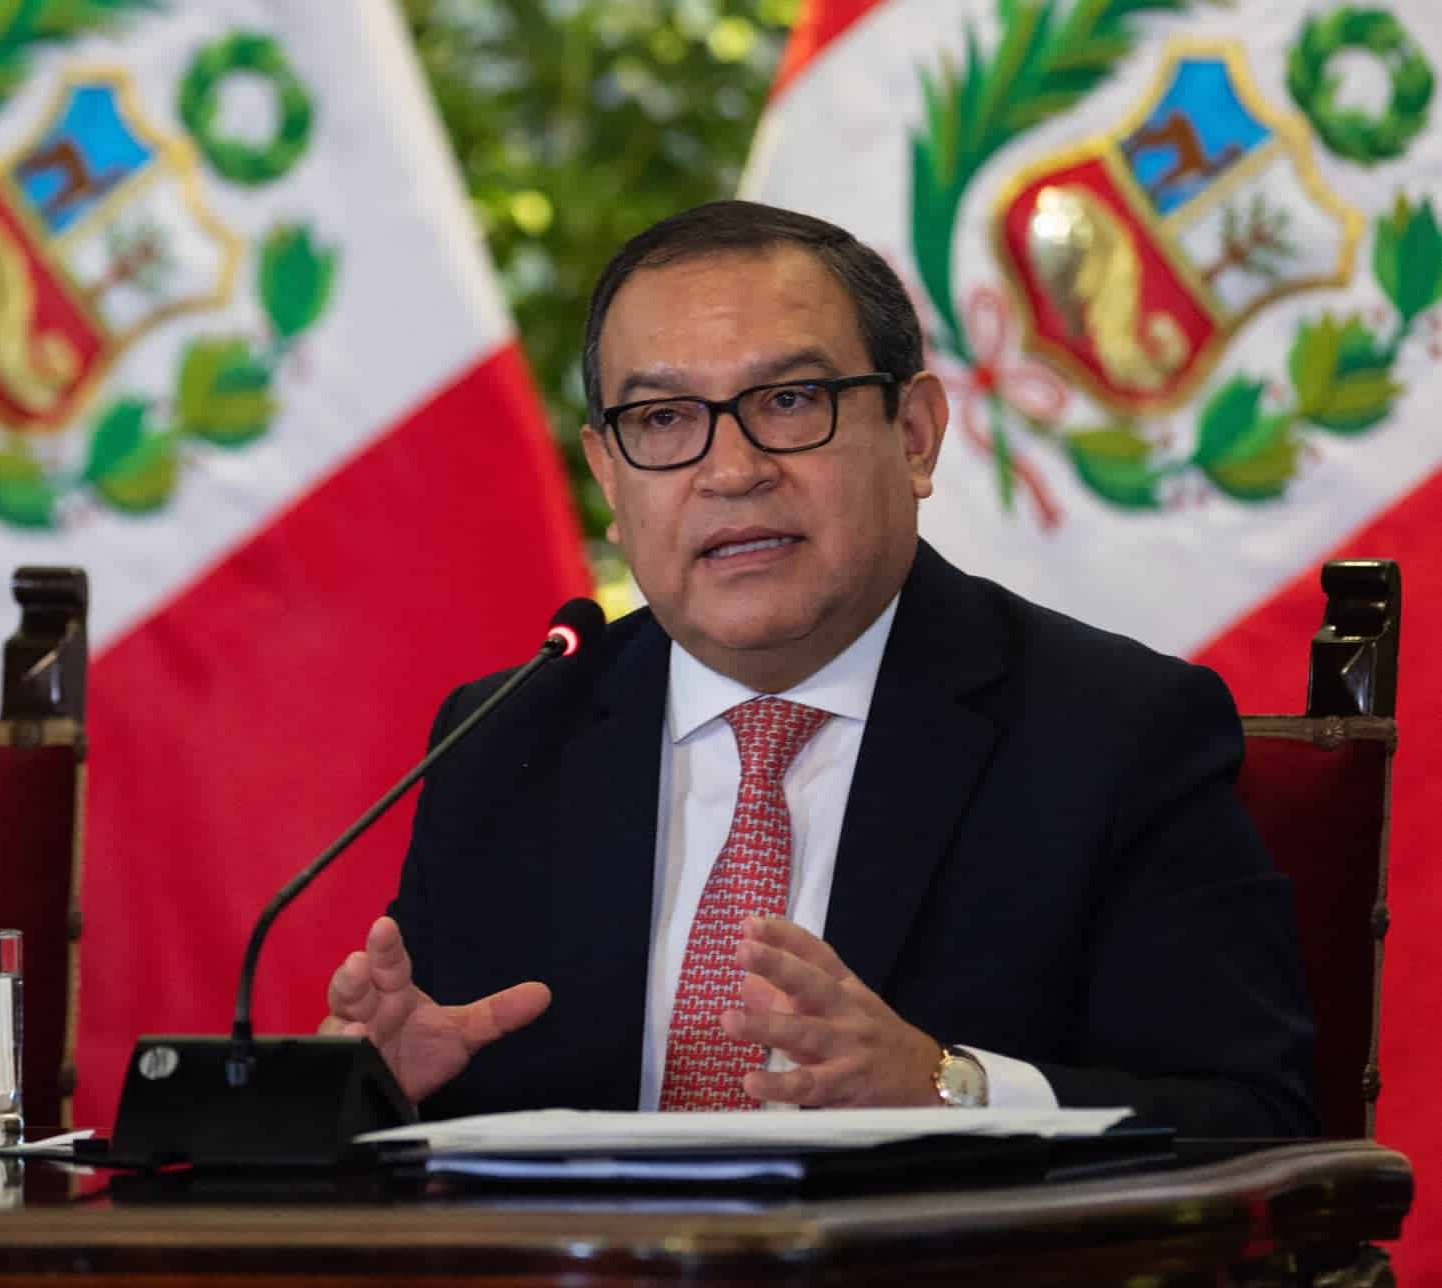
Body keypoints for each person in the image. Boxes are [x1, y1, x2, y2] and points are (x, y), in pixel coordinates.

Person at [321, 201, 1316, 1138]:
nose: (731, 469)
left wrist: (948, 1087)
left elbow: (1252, 1121)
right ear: (611, 482)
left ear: (916, 434)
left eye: (789, 400)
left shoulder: (1113, 732)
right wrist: (373, 1100)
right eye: (663, 419)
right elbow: (445, 1153)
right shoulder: (507, 736)